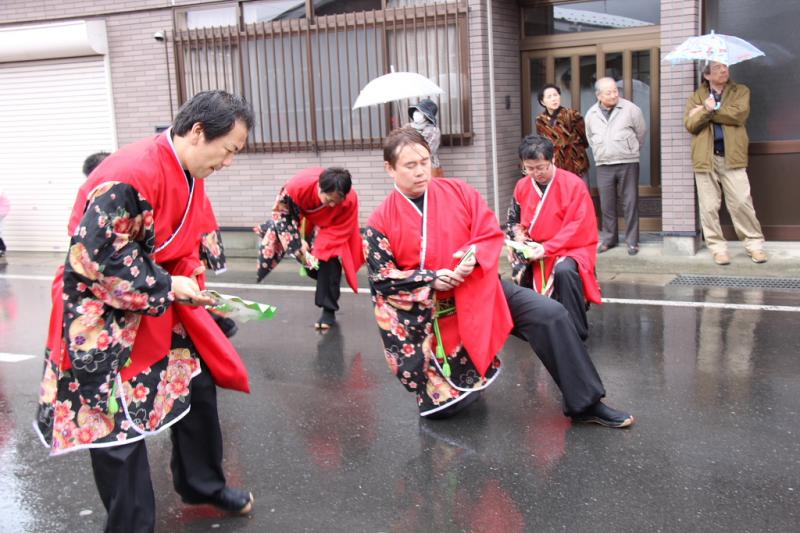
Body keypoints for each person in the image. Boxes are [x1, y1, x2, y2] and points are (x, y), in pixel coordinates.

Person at [35, 90, 256, 532]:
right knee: (113, 422)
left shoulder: (189, 171)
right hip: (99, 307)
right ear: (198, 132)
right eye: (229, 150)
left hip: (153, 296)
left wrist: (189, 278)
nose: (229, 162)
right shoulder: (130, 174)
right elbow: (96, 258)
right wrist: (169, 285)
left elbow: (185, 240)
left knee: (196, 383)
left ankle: (201, 484)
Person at [364, 127, 633, 427]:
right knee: (448, 412)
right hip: (434, 311)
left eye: (425, 162)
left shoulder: (458, 191)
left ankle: (586, 403)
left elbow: (488, 231)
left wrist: (473, 255)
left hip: (479, 287)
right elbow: (382, 278)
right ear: (390, 168)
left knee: (551, 314)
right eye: (410, 165)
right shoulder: (380, 221)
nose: (420, 171)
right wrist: (430, 279)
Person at [506, 134, 601, 341]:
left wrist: (548, 248)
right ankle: (537, 327)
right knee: (520, 269)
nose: (536, 173)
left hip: (572, 246)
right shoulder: (522, 186)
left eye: (541, 167)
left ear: (553, 159)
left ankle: (575, 332)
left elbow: (579, 224)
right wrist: (519, 239)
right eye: (529, 168)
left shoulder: (573, 184)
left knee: (565, 271)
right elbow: (514, 220)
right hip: (535, 246)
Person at [254, 167, 364, 329]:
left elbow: (342, 228)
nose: (332, 205)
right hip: (304, 222)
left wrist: (320, 249)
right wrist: (298, 241)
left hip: (333, 227)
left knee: (328, 260)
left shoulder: (350, 200)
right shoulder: (296, 186)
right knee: (311, 265)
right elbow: (282, 215)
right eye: (328, 199)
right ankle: (327, 278)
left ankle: (328, 309)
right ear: (320, 187)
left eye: (336, 202)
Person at [684, 61, 767, 265]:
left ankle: (754, 245)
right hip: (705, 158)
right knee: (709, 206)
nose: (723, 70)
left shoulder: (740, 91)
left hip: (733, 156)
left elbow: (738, 115)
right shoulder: (697, 96)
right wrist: (705, 109)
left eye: (725, 66)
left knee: (741, 202)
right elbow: (690, 125)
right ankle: (717, 248)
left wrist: (708, 110)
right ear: (707, 75)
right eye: (717, 68)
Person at [585, 77, 647, 256]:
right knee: (607, 204)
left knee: (630, 202)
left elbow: (641, 133)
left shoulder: (631, 109)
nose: (613, 95)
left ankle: (632, 241)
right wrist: (602, 150)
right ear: (599, 95)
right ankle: (609, 239)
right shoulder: (591, 114)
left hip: (627, 161)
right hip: (604, 163)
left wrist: (629, 149)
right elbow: (590, 137)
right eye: (609, 92)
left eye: (615, 91)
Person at [534, 83, 590, 181]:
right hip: (555, 165)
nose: (554, 99)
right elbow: (543, 143)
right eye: (549, 97)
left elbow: (584, 138)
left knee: (581, 189)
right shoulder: (540, 120)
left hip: (576, 161)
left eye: (555, 95)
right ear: (543, 102)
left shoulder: (572, 115)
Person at [406, 99, 444, 177]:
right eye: (415, 111)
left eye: (419, 111)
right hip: (410, 166)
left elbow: (429, 150)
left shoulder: (433, 130)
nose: (416, 113)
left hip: (430, 167)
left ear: (426, 115)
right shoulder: (408, 127)